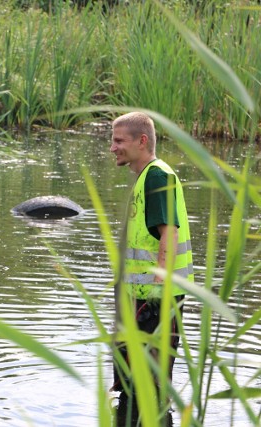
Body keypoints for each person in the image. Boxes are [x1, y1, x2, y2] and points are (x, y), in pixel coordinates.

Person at [108, 112, 194, 398]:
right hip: (139, 297)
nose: (113, 147)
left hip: (155, 300)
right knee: (130, 379)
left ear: (142, 141)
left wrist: (158, 290)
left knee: (150, 384)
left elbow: (169, 232)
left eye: (119, 140)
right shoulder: (145, 177)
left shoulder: (157, 175)